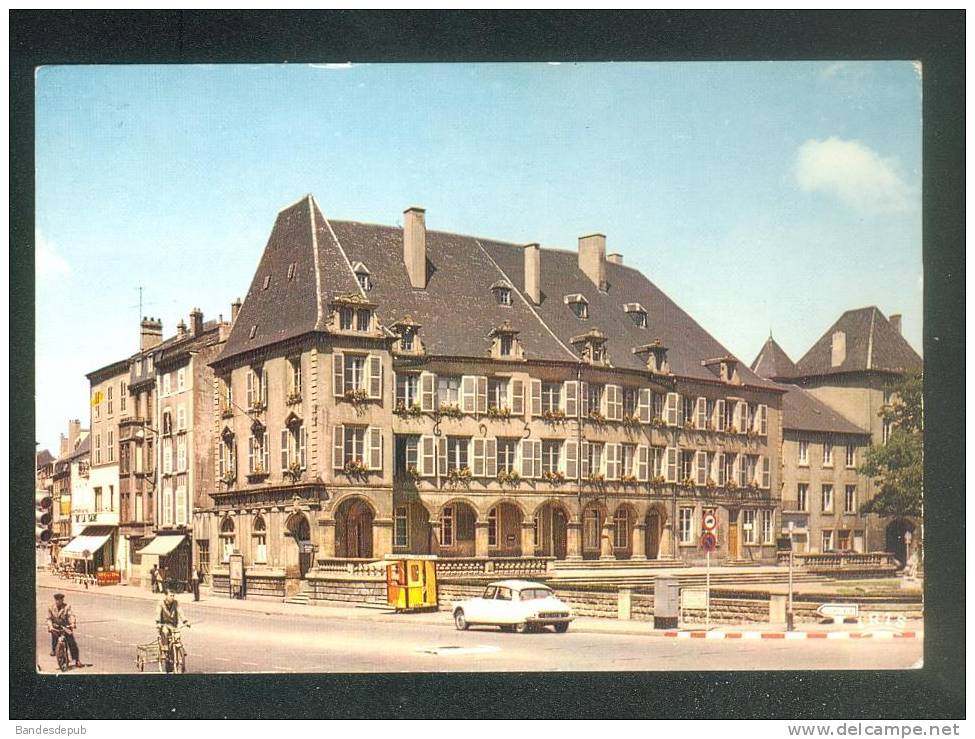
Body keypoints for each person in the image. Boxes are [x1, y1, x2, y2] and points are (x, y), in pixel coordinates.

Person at [46, 593, 83, 668]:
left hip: (66, 627)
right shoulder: (50, 607)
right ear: (55, 600)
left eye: (60, 600)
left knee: (72, 643)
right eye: (57, 600)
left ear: (62, 600)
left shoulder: (67, 607)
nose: (58, 602)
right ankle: (54, 650)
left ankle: (77, 660)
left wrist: (73, 623)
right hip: (56, 627)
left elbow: (71, 615)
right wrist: (50, 626)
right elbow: (49, 619)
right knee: (54, 639)